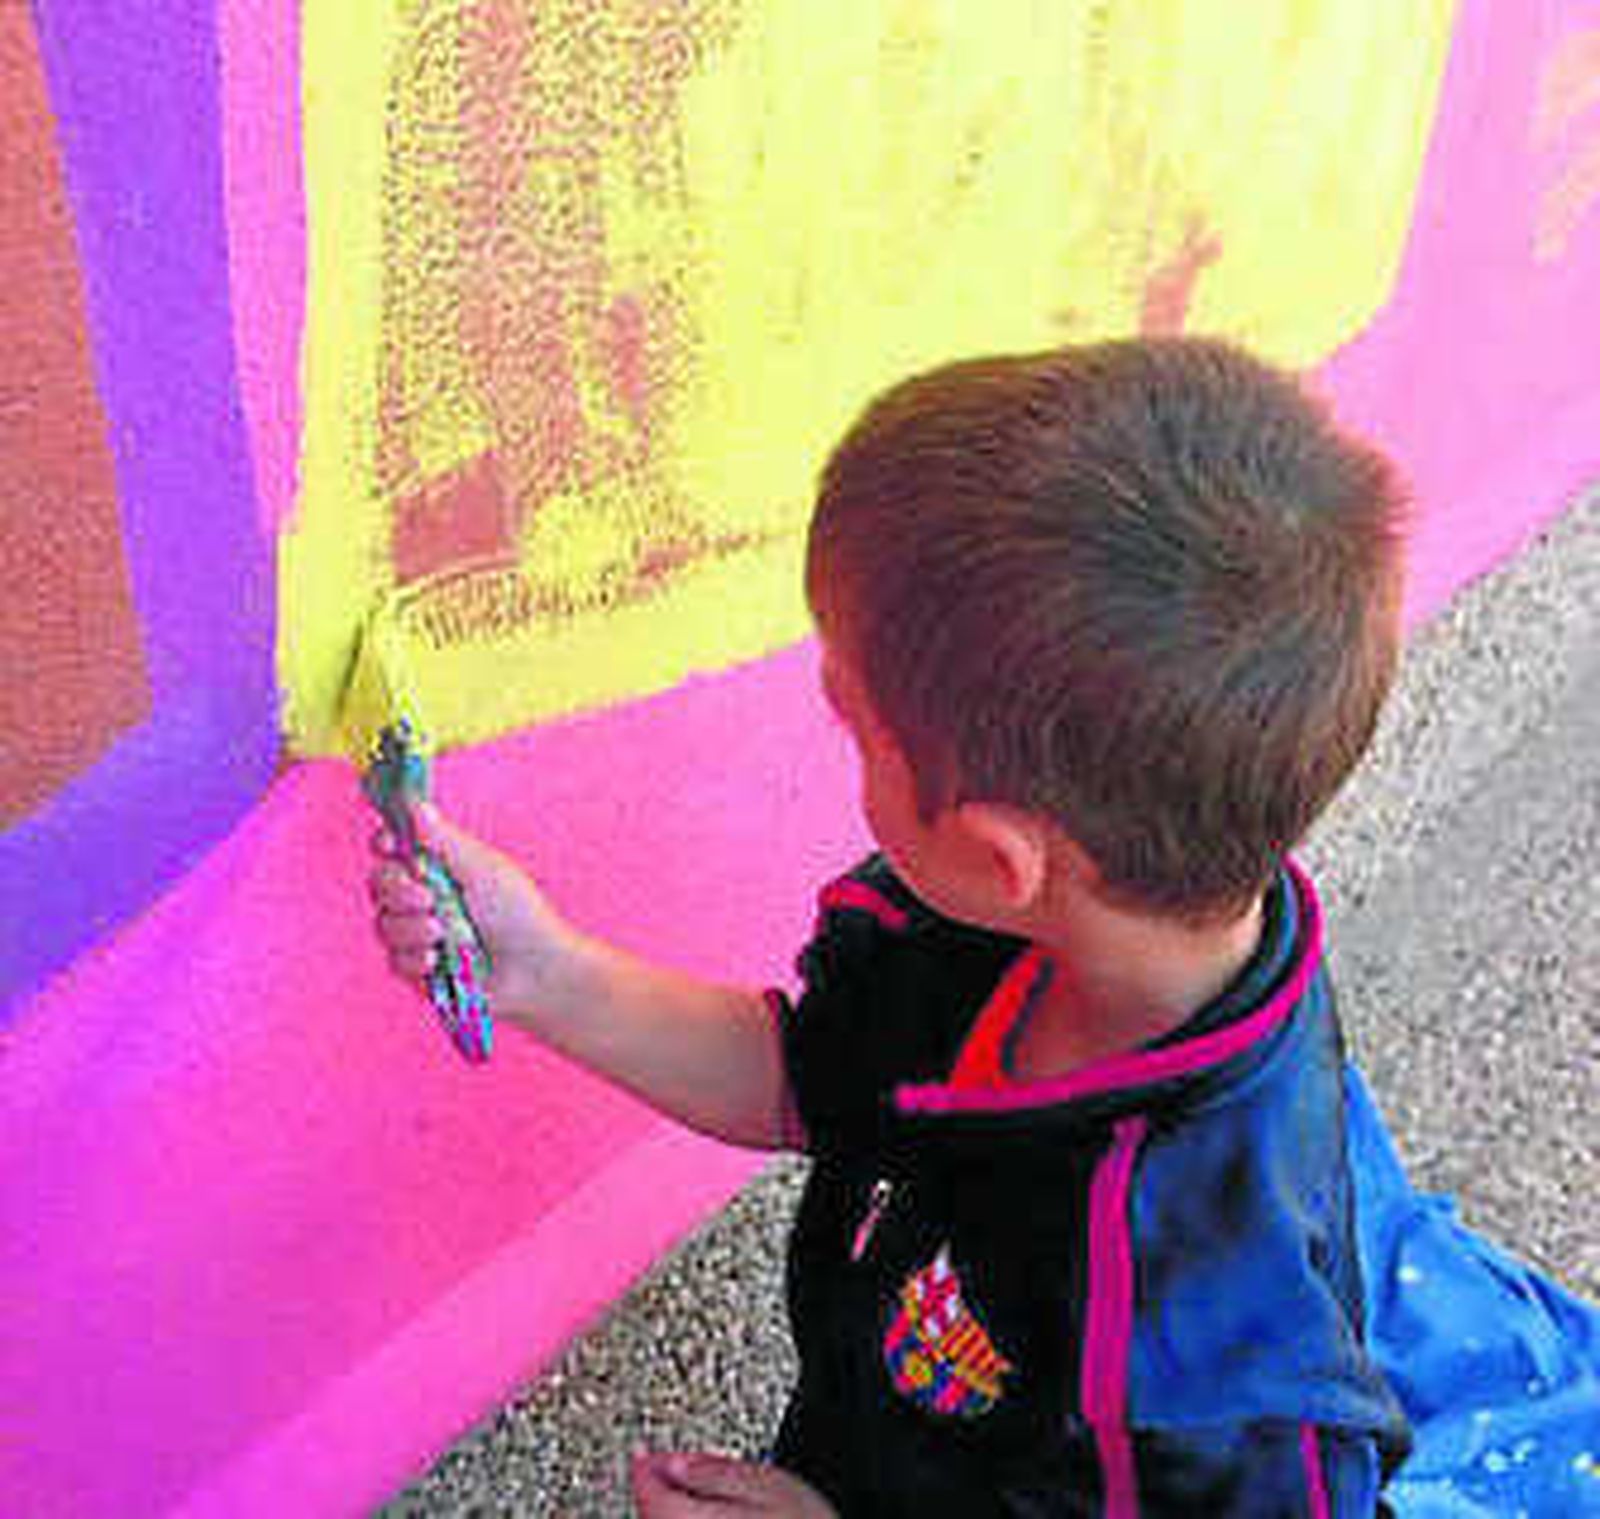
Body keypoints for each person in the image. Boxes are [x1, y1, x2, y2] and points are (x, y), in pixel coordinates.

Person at [370, 337, 1415, 1516]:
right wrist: (546, 970)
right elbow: (813, 1079)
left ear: (997, 853)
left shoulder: (1208, 1359)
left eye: (852, 724)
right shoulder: (1039, 918)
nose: (843, 748)